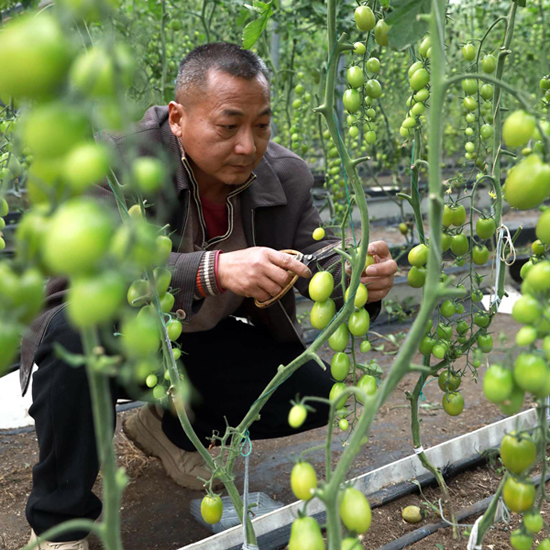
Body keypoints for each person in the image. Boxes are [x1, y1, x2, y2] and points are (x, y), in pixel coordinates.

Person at [19, 42, 397, 549]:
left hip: (199, 338)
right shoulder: (116, 162)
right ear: (177, 118)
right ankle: (62, 522)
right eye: (228, 126)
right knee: (73, 334)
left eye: (261, 125)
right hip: (113, 331)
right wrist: (210, 269)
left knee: (312, 394)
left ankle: (166, 430)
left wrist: (354, 275)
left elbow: (315, 254)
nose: (248, 145)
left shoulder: (286, 176)